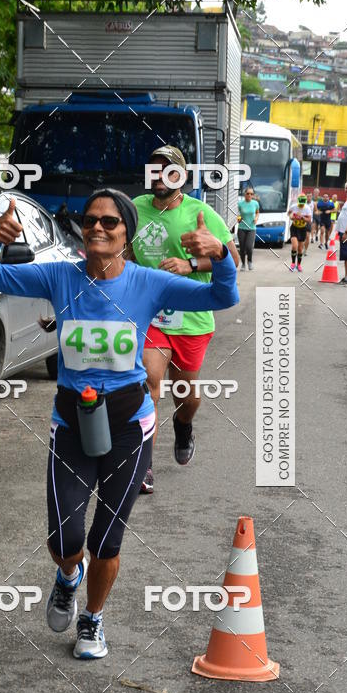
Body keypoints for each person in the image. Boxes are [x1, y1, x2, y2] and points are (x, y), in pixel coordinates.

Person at [0, 189, 238, 659]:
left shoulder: (148, 282)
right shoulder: (59, 276)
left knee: (106, 542)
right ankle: (67, 577)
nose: (97, 227)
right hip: (72, 422)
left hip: (129, 424)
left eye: (110, 222)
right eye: (91, 220)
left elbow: (223, 294)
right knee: (67, 539)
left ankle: (92, 620)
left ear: (126, 234)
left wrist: (219, 254)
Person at [131, 146, 240, 495]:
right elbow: (126, 253)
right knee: (149, 382)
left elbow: (231, 260)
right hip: (151, 316)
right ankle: (142, 467)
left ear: (182, 177)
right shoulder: (134, 208)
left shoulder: (202, 213)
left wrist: (191, 264)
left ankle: (183, 425)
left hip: (192, 318)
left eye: (168, 171)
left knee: (187, 397)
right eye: (154, 170)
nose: (160, 177)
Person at [287, 193, 312, 272]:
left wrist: (302, 217)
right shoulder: (294, 206)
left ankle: (299, 265)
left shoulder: (307, 208)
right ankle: (293, 263)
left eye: (302, 204)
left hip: (302, 229)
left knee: (300, 248)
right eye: (300, 204)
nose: (301, 206)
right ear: (298, 201)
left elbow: (309, 220)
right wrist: (292, 216)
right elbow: (289, 213)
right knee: (295, 245)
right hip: (294, 228)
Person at [237, 187, 260, 270]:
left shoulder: (255, 203)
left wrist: (256, 218)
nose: (250, 195)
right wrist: (239, 218)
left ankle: (250, 261)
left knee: (249, 247)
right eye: (248, 193)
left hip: (252, 228)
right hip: (242, 228)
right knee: (242, 248)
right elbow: (238, 213)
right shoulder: (240, 204)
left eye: (251, 194)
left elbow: (257, 212)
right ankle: (243, 264)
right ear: (245, 194)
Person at [303, 191, 314, 256]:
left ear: (311, 197)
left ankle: (305, 250)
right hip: (302, 221)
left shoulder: (313, 204)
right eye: (307, 196)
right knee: (302, 237)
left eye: (310, 196)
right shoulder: (303, 203)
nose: (309, 198)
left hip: (309, 222)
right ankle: (300, 248)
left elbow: (315, 211)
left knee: (307, 236)